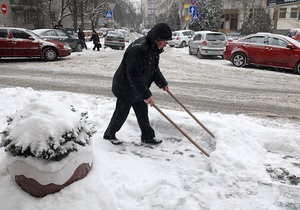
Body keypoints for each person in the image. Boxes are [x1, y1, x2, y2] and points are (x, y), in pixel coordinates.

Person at [103, 23, 172, 145]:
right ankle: (109, 135)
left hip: (139, 88)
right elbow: (134, 76)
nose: (166, 44)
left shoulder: (153, 49)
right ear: (157, 39)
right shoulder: (138, 50)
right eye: (165, 41)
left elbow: (154, 69)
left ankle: (147, 137)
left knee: (142, 113)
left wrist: (162, 83)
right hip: (125, 87)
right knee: (121, 114)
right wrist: (146, 95)